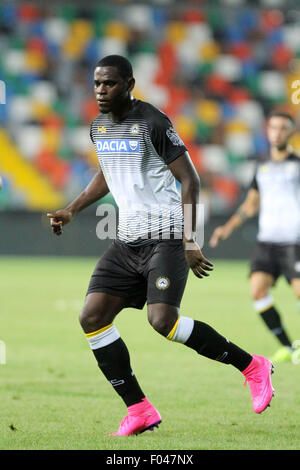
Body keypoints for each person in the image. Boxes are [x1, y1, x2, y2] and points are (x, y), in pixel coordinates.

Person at [47, 55, 274, 437]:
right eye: (97, 84)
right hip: (127, 239)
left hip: (166, 235)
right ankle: (139, 409)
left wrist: (189, 240)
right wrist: (72, 209)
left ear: (129, 83)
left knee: (162, 321)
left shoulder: (152, 122)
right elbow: (107, 173)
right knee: (92, 317)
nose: (101, 91)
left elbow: (191, 180)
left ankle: (253, 366)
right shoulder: (99, 127)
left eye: (110, 84)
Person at [209, 111, 300, 363]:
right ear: (267, 132)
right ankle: (289, 347)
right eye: (273, 128)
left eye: (283, 128)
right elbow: (251, 204)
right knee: (258, 291)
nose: (278, 132)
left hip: (294, 240)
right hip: (267, 241)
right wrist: (226, 228)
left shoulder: (297, 164)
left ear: (291, 132)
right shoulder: (261, 166)